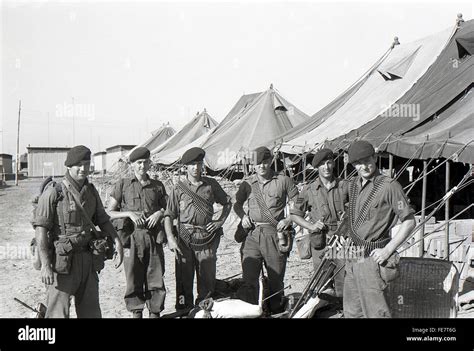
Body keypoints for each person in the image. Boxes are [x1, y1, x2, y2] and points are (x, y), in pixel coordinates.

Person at [32, 145, 124, 318]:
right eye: (79, 164)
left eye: (87, 164)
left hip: (88, 261)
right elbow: (41, 230)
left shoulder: (91, 191)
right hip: (62, 264)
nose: (83, 169)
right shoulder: (54, 192)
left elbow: (103, 220)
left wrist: (117, 242)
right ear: (69, 166)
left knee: (91, 314)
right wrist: (45, 266)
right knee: (58, 314)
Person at [343, 140, 416, 318]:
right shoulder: (353, 185)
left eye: (368, 160)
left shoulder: (389, 186)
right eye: (359, 163)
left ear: (375, 158)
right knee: (352, 312)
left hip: (372, 261)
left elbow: (409, 221)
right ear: (353, 165)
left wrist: (388, 250)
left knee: (377, 313)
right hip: (352, 258)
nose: (364, 166)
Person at [108, 147, 176, 318]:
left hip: (153, 238)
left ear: (150, 163)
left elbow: (169, 209)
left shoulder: (157, 186)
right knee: (133, 279)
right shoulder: (123, 185)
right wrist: (129, 214)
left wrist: (159, 213)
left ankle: (155, 313)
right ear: (132, 165)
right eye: (138, 163)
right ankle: (136, 313)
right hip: (131, 239)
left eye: (145, 162)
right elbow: (109, 212)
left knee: (156, 278)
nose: (142, 166)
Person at [163, 147, 232, 311]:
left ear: (202, 165)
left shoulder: (211, 185)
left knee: (207, 279)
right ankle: (184, 310)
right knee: (183, 279)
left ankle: (204, 310)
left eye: (198, 164)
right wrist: (171, 239)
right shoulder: (178, 188)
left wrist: (219, 221)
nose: (196, 168)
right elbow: (169, 215)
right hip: (184, 239)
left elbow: (227, 203)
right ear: (186, 166)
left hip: (206, 237)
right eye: (192, 164)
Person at [235, 146, 298, 314]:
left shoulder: (284, 180)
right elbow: (237, 204)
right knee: (249, 278)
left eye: (265, 162)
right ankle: (250, 311)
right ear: (253, 165)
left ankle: (277, 310)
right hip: (252, 235)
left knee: (276, 277)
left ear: (270, 161)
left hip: (274, 234)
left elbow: (298, 203)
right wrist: (243, 216)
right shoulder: (247, 183)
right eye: (257, 163)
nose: (261, 166)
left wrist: (288, 219)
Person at [290, 148, 348, 299]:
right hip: (320, 239)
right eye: (322, 164)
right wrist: (311, 226)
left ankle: (343, 309)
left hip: (342, 239)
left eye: (329, 163)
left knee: (344, 277)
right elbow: (295, 214)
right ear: (317, 167)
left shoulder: (345, 186)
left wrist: (347, 217)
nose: (326, 167)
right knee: (322, 280)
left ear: (334, 164)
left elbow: (358, 208)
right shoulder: (308, 190)